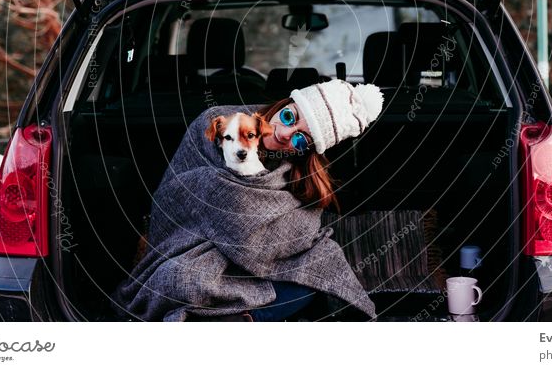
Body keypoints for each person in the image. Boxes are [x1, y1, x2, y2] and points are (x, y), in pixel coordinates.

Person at [110, 79, 384, 322]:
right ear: (285, 102)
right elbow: (179, 195)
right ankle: (235, 317)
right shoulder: (218, 121)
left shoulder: (299, 172)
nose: (287, 134)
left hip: (259, 269)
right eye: (289, 117)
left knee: (319, 273)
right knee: (183, 279)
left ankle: (237, 319)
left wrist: (262, 238)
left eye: (302, 139)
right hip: (195, 250)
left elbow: (300, 231)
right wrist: (230, 200)